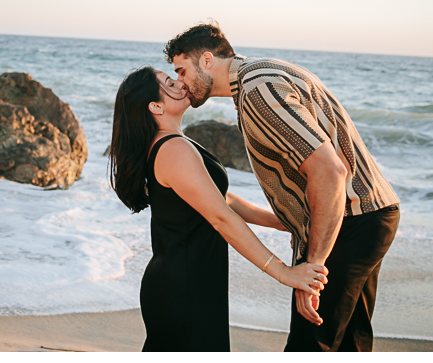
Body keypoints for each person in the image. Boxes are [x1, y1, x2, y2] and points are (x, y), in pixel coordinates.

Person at [165, 23, 400, 352]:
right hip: (369, 214)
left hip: (350, 221)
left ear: (206, 61)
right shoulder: (264, 74)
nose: (180, 82)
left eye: (181, 70)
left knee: (309, 346)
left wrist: (313, 267)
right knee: (350, 345)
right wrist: (298, 223)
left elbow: (330, 171)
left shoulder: (257, 89)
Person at [109, 66, 329, 352]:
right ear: (155, 106)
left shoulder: (173, 144)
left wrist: (279, 222)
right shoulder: (173, 149)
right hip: (184, 287)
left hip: (188, 280)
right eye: (169, 82)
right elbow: (221, 218)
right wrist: (283, 273)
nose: (180, 83)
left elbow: (222, 199)